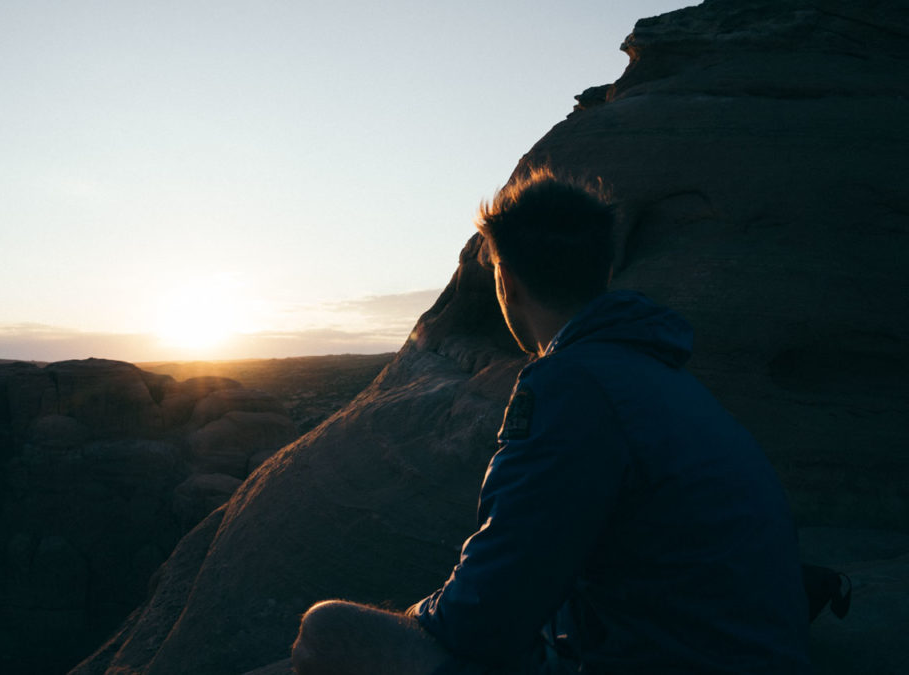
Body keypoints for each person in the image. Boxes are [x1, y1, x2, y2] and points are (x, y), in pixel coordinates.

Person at [290, 169, 810, 674]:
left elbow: (484, 616)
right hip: (729, 648)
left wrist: (413, 619)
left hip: (662, 659)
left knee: (327, 631)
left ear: (506, 280)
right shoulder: (659, 372)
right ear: (603, 272)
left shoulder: (571, 385)